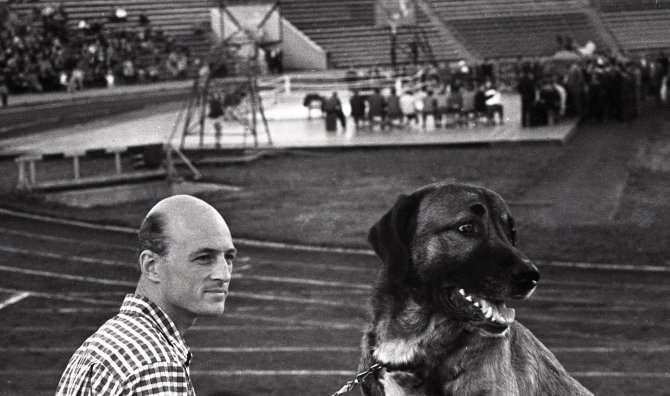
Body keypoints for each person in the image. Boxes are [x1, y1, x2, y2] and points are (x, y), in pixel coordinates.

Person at [56, 195, 236, 396]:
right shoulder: (154, 364)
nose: (224, 274)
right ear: (151, 266)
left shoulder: (100, 344)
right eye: (204, 258)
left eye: (228, 257)